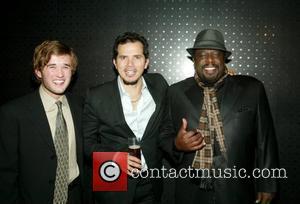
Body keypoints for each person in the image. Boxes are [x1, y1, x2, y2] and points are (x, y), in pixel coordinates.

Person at [159, 29, 279, 204]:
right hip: (191, 192)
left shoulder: (252, 89)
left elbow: (265, 140)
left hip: (237, 189)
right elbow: (163, 135)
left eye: (215, 54)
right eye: (202, 55)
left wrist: (267, 183)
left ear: (224, 59)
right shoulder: (175, 92)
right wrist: (176, 145)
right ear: (194, 60)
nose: (209, 60)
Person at [83, 32, 168, 204]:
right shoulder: (97, 95)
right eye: (123, 58)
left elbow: (180, 95)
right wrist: (115, 158)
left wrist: (226, 76)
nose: (130, 64)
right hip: (112, 183)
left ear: (146, 62)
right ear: (115, 63)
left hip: (150, 185)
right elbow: (86, 143)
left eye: (137, 57)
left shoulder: (159, 85)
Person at [0, 40, 86, 203]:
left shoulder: (81, 106)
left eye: (66, 67)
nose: (60, 74)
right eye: (52, 67)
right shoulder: (13, 113)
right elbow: (5, 173)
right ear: (38, 71)